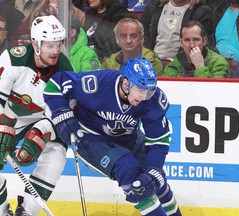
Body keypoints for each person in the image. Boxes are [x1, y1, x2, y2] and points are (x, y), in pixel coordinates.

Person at [43, 58, 182, 216]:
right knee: (131, 174)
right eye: (140, 90)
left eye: (148, 91)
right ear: (126, 83)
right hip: (92, 139)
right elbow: (55, 84)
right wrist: (61, 112)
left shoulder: (153, 99)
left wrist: (154, 170)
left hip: (128, 137)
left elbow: (158, 140)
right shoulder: (97, 83)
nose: (144, 96)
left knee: (155, 182)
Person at [0, 15, 73, 215]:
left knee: (57, 153)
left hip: (40, 120)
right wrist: (2, 124)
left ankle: (28, 211)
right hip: (8, 118)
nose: (56, 51)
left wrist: (42, 131)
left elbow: (61, 113)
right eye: (50, 45)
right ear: (35, 43)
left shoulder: (64, 70)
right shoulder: (13, 58)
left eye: (58, 45)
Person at [141, 0, 214, 62]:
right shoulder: (153, 7)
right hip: (152, 62)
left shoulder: (202, 11)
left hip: (182, 66)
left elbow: (202, 45)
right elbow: (144, 38)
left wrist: (176, 64)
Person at [163, 20, 230, 77]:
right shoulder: (173, 66)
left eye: (196, 40)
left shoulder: (219, 63)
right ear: (181, 43)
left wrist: (200, 66)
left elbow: (212, 91)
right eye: (187, 40)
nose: (192, 45)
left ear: (204, 41)